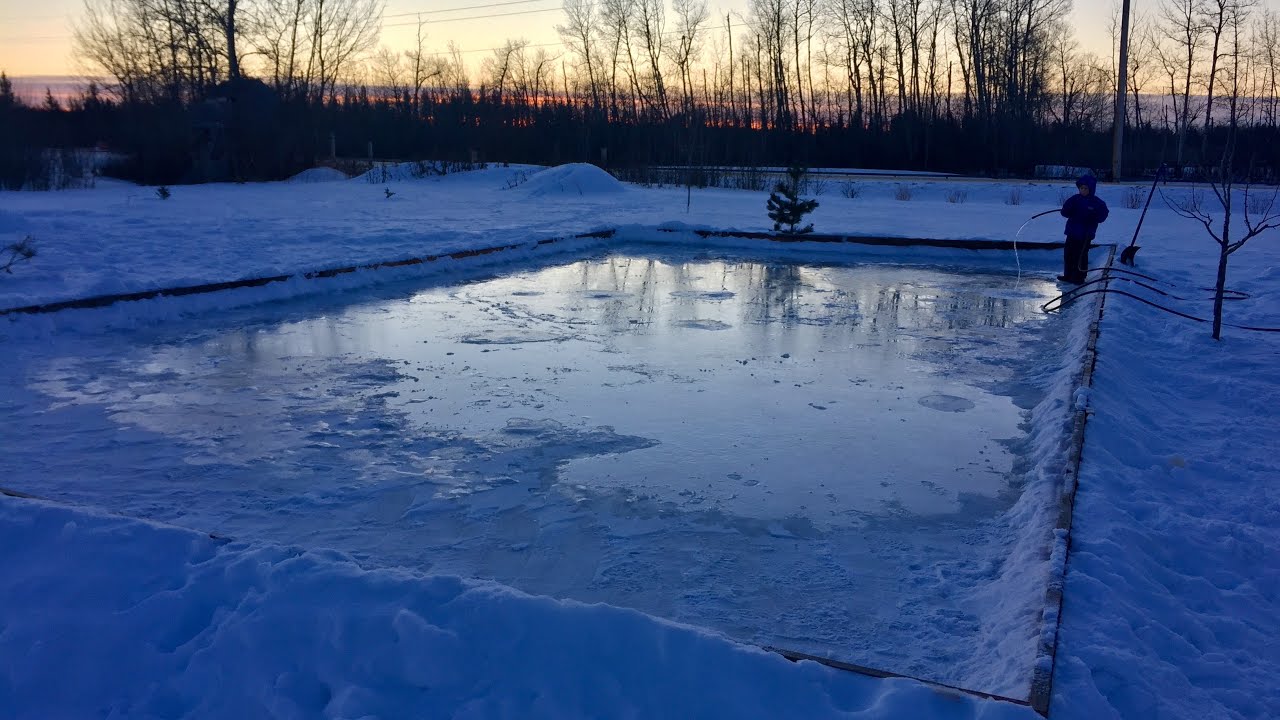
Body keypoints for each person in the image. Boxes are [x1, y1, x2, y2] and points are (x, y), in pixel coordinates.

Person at [1058, 174, 1109, 284]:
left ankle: (1079, 277)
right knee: (1069, 254)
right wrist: (1068, 211)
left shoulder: (1097, 202)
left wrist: (1095, 217)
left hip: (1085, 234)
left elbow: (1103, 214)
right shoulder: (1074, 199)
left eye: (1085, 188)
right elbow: (1064, 211)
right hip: (1072, 232)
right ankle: (1068, 274)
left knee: (1080, 255)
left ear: (1091, 189)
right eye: (1081, 188)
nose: (1083, 190)